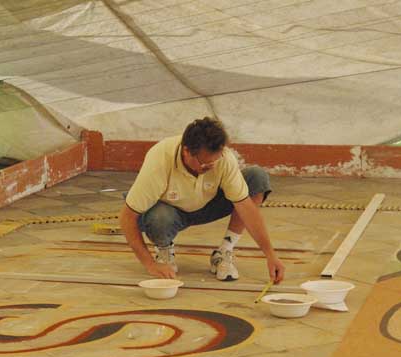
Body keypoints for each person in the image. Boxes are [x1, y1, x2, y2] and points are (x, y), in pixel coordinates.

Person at [119, 117, 285, 284]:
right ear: (186, 151)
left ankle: (224, 251)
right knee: (159, 217)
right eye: (205, 164)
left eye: (216, 160)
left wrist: (270, 255)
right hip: (170, 213)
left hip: (208, 205)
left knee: (257, 177)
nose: (211, 166)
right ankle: (164, 250)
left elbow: (246, 208)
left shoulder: (224, 159)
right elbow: (127, 217)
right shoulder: (159, 159)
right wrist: (150, 265)